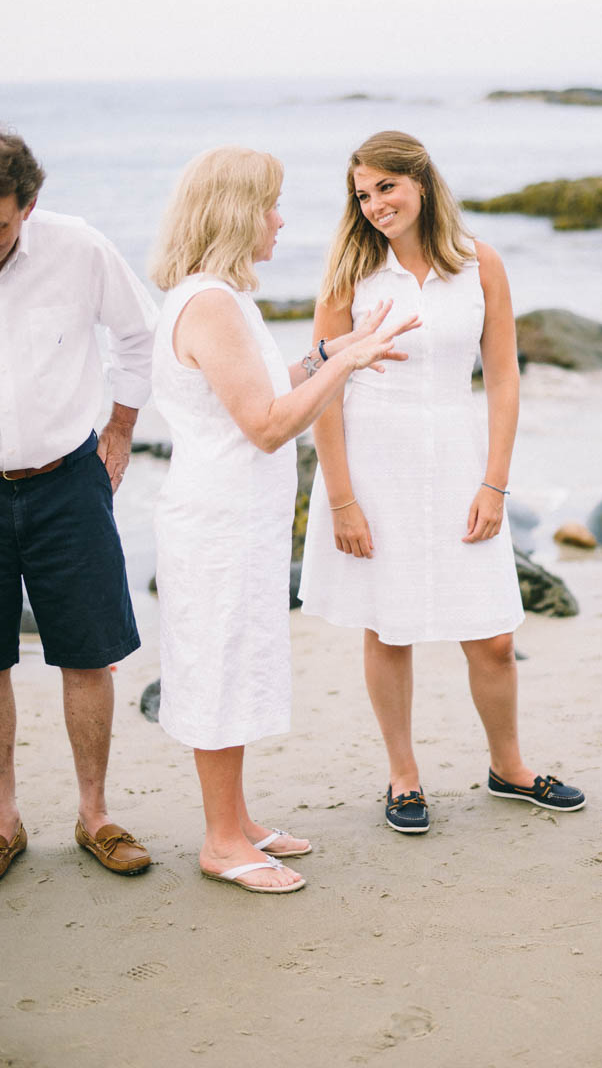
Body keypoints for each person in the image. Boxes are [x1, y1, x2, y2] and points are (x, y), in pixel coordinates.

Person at [150, 145, 419, 894]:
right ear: (235, 213)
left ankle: (238, 820)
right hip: (216, 521)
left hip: (240, 518)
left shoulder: (225, 299)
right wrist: (345, 366)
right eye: (270, 204)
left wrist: (332, 350)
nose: (279, 219)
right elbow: (267, 425)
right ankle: (219, 840)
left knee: (239, 664)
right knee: (218, 669)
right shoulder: (208, 303)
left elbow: (273, 385)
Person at [299, 130, 585, 834]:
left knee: (490, 634)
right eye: (362, 194)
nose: (374, 205)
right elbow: (324, 391)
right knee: (387, 630)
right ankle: (403, 778)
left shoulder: (479, 263)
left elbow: (504, 376)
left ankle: (510, 768)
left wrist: (495, 484)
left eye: (385, 188)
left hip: (460, 462)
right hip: (374, 466)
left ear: (421, 183)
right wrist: (339, 499)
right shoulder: (347, 276)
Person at [0, 132, 158, 881]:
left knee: (87, 655)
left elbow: (138, 335)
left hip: (69, 479)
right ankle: (3, 819)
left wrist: (122, 431)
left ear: (28, 207)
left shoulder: (78, 248)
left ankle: (94, 815)